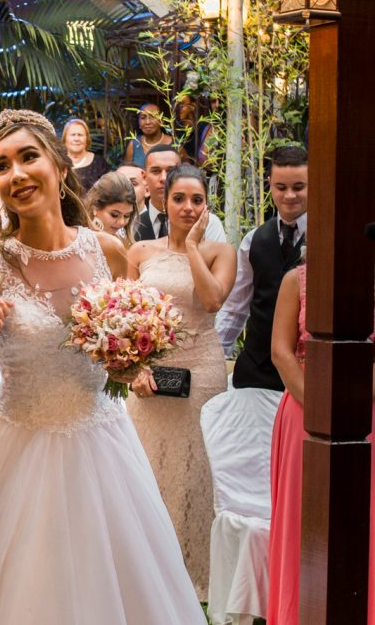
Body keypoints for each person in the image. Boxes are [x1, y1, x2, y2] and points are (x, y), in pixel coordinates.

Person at [0, 109, 205, 623]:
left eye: (28, 157)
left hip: (102, 445)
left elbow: (127, 341)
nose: (15, 174)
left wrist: (132, 361)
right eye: (0, 166)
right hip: (15, 443)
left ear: (60, 168)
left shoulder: (108, 248)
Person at [126, 164, 237, 598]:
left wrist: (191, 246)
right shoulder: (138, 252)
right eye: (179, 199)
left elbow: (211, 301)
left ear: (206, 203)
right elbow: (125, 320)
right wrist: (132, 369)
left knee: (197, 476)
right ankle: (146, 579)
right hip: (151, 376)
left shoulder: (219, 252)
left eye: (196, 199)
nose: (188, 207)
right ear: (164, 200)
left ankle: (198, 582)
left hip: (202, 375)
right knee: (149, 472)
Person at [266, 264, 375, 624]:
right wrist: (318, 409)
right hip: (303, 410)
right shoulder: (295, 280)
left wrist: (355, 402)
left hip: (368, 412)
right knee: (305, 517)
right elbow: (281, 352)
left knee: (365, 518)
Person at [216, 145, 308, 390]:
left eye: (298, 187)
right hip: (256, 373)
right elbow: (236, 308)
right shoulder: (253, 240)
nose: (289, 196)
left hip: (306, 375)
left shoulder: (329, 240)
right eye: (281, 187)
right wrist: (215, 359)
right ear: (269, 183)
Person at [134, 145, 226, 243]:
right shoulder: (133, 224)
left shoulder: (208, 223)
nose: (164, 178)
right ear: (144, 177)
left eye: (170, 171)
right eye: (156, 171)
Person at [85, 170, 139, 249]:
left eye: (127, 216)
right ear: (95, 208)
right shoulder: (78, 239)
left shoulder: (124, 242)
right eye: (114, 215)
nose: (121, 222)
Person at [61, 117, 109, 190]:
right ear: (65, 139)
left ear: (87, 139)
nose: (76, 139)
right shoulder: (58, 162)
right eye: (73, 135)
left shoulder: (99, 163)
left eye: (80, 135)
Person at [123, 102, 174, 167]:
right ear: (139, 123)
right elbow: (127, 172)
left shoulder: (174, 144)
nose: (148, 122)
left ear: (161, 121)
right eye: (143, 117)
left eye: (153, 117)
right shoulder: (133, 145)